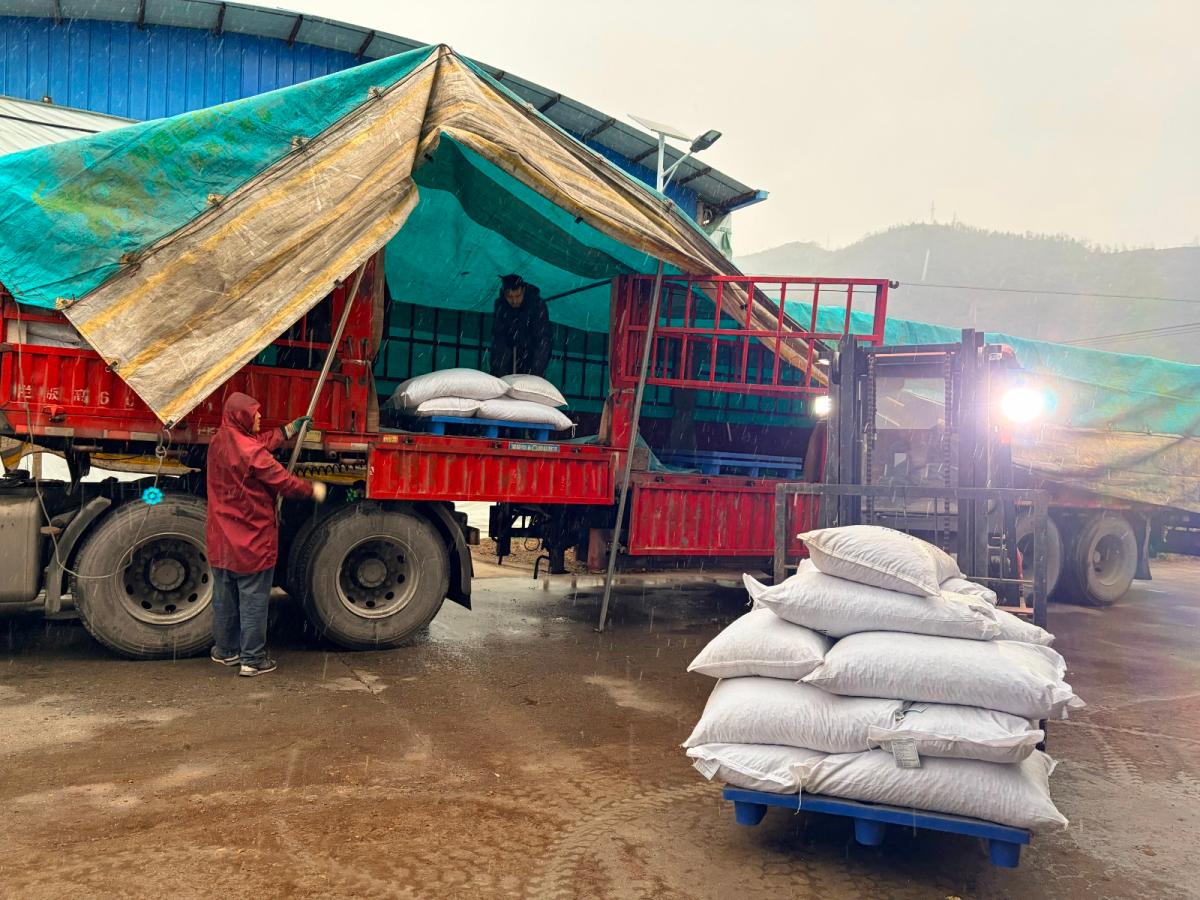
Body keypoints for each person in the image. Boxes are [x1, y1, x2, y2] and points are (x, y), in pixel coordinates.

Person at [206, 392, 326, 677]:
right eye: (255, 412)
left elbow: (254, 444)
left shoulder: (219, 440)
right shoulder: (252, 453)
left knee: (225, 597)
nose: (259, 416)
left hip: (221, 538)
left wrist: (287, 430)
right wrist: (312, 489)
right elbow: (283, 481)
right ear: (242, 416)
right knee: (254, 600)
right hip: (251, 540)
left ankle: (226, 651)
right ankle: (252, 659)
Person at [489, 273, 552, 377]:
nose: (514, 301)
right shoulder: (501, 305)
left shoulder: (537, 305)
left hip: (532, 356)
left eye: (517, 296)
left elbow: (542, 340)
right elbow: (499, 339)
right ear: (504, 294)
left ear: (523, 290)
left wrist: (536, 372)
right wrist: (498, 372)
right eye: (509, 297)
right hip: (510, 358)